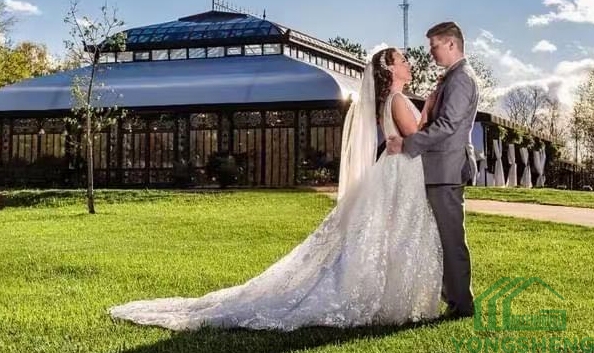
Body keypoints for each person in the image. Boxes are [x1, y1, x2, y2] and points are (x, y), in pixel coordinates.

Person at [109, 47, 443, 331]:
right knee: (398, 229)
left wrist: (426, 108)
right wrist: (431, 106)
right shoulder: (398, 99)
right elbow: (419, 135)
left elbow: (413, 135)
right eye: (403, 60)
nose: (409, 64)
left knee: (395, 229)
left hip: (401, 170)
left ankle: (388, 293)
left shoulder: (394, 99)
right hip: (400, 171)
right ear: (390, 69)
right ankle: (387, 296)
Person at [387, 21, 478, 319]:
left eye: (434, 46)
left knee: (450, 239)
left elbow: (448, 125)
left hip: (446, 168)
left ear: (451, 44)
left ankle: (461, 305)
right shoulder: (451, 78)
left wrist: (409, 143)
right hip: (439, 167)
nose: (431, 53)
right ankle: (453, 299)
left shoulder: (461, 78)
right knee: (441, 237)